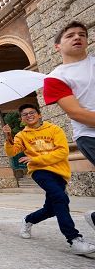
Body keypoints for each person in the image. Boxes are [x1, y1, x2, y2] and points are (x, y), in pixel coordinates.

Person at [3, 104, 95, 256]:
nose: (29, 115)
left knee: (52, 208)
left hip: (60, 171)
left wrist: (36, 158)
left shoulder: (54, 129)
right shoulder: (21, 135)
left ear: (39, 115)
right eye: (24, 114)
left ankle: (28, 219)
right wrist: (8, 137)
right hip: (39, 171)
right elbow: (12, 152)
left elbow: (62, 152)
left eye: (32, 112)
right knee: (60, 198)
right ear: (21, 119)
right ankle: (74, 239)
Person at [42, 20, 95, 232]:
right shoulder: (55, 78)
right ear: (58, 46)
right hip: (89, 135)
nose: (77, 37)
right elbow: (75, 112)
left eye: (82, 34)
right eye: (70, 35)